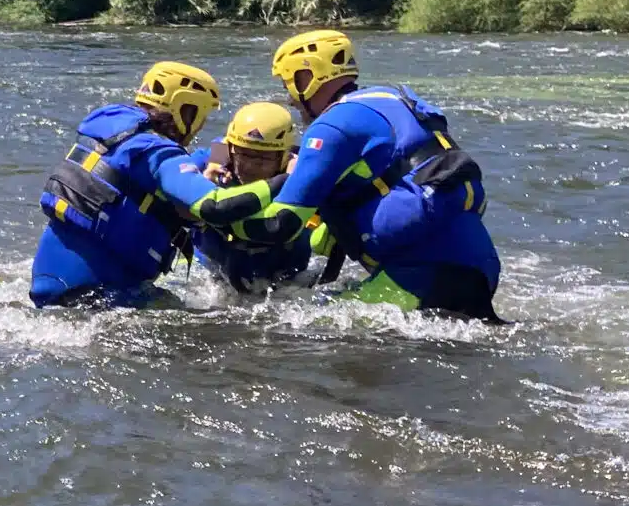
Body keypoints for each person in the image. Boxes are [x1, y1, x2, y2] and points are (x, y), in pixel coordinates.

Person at [196, 29, 501, 321]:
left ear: (308, 76)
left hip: (419, 277)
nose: (290, 98)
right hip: (479, 267)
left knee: (299, 329)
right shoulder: (391, 100)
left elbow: (279, 224)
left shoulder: (330, 127)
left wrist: (207, 217)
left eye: (289, 83)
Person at [29, 61, 222, 308]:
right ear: (185, 108)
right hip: (103, 296)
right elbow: (215, 204)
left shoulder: (111, 134)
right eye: (200, 115)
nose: (200, 126)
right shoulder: (159, 153)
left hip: (52, 282)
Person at [190, 101, 316, 294]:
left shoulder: (302, 172)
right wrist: (203, 181)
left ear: (283, 157)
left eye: (263, 158)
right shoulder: (213, 162)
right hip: (211, 273)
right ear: (232, 149)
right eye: (244, 155)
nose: (250, 166)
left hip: (286, 277)